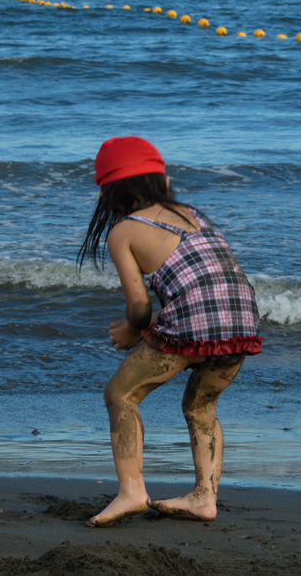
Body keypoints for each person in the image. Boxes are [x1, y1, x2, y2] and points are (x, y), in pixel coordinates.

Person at [77, 136, 261, 527]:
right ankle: (204, 497)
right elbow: (201, 286)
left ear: (111, 190)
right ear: (161, 179)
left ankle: (131, 491)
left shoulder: (124, 231)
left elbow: (141, 307)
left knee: (120, 394)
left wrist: (131, 330)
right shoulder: (193, 214)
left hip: (196, 321)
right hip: (242, 318)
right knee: (200, 406)